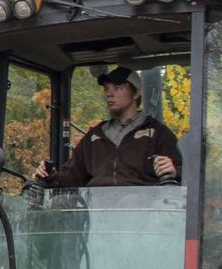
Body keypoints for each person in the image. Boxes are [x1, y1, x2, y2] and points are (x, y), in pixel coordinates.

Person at [31, 66, 181, 188]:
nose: (109, 93)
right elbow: (72, 178)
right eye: (106, 89)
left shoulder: (158, 133)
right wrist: (49, 175)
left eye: (117, 87)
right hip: (96, 215)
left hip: (142, 216)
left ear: (136, 93)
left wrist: (174, 171)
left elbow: (185, 176)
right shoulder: (94, 136)